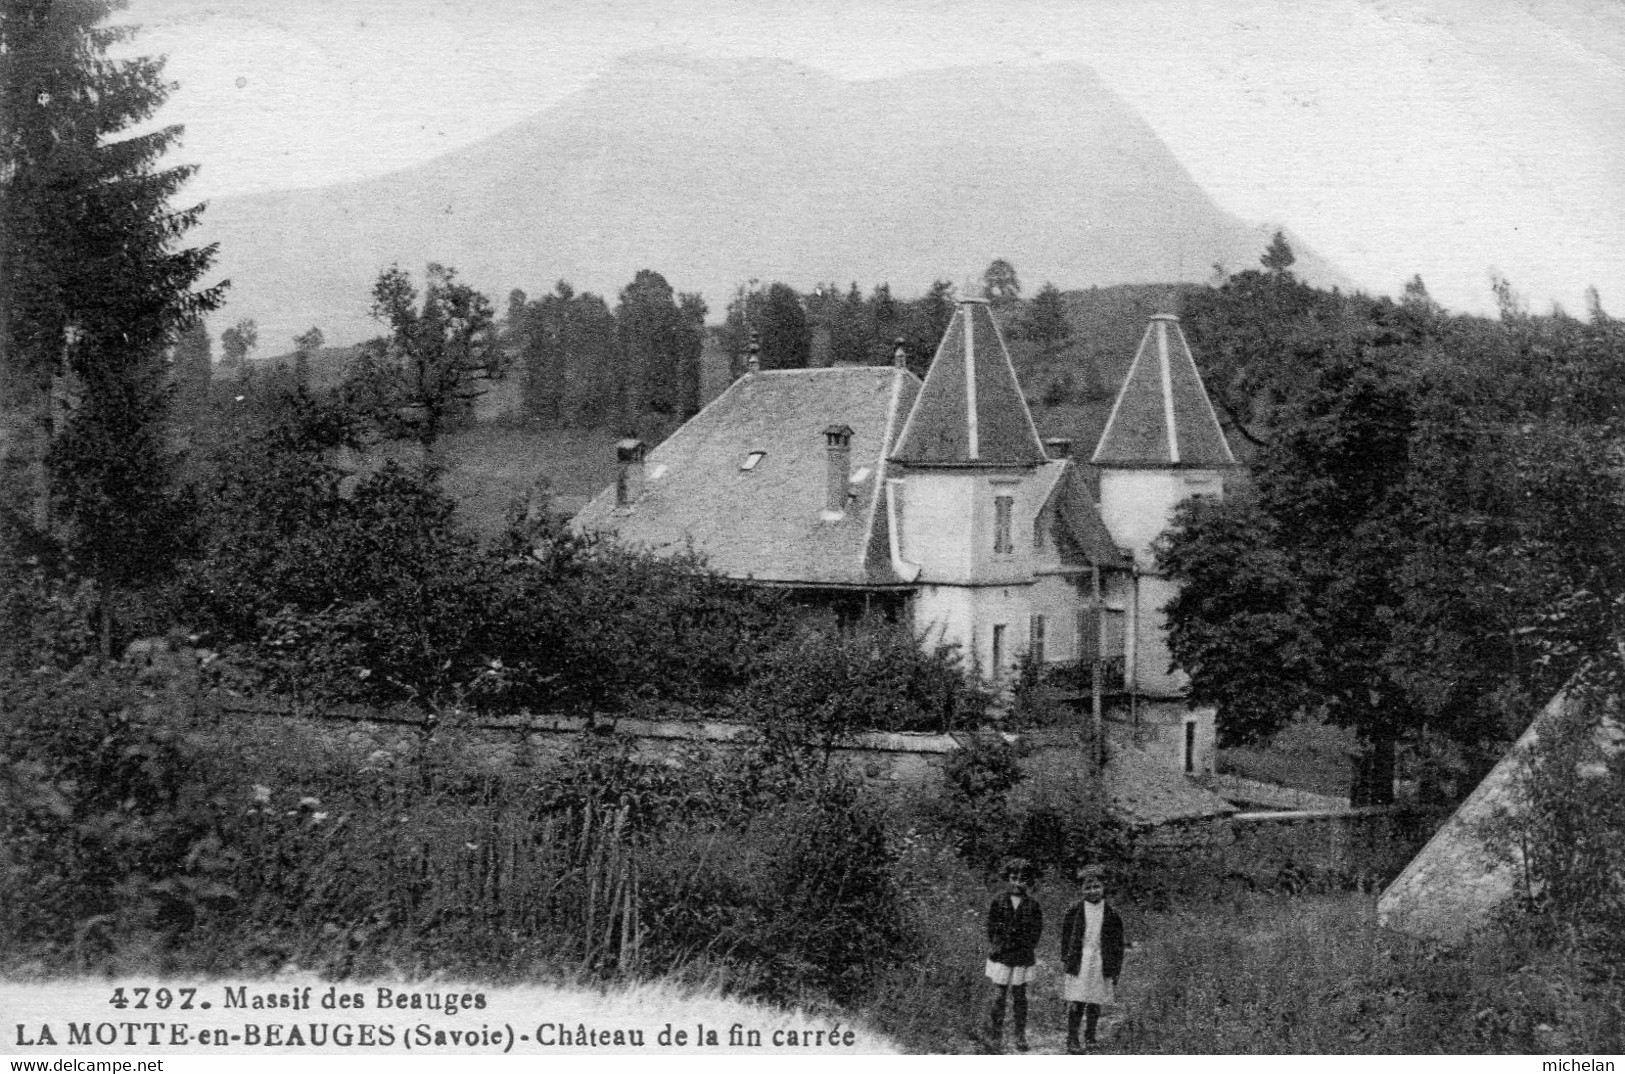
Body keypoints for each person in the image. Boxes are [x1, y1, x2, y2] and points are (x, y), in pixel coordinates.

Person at [1059, 864, 1126, 1052]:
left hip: (1101, 960)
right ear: (1081, 889)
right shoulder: (1074, 912)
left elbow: (1117, 944)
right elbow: (1066, 938)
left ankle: (1090, 1036)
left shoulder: (1111, 915)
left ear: (1104, 887)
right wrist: (1067, 959)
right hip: (1080, 960)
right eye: (1087, 887)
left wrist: (1115, 968)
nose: (1092, 891)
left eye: (1096, 886)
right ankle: (1072, 1038)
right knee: (1077, 999)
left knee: (1095, 1000)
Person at [982, 857, 1043, 1052]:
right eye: (1014, 878)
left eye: (1022, 879)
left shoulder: (1032, 905)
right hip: (1002, 954)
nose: (1018, 883)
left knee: (1020, 995)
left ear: (1029, 881)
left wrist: (1027, 946)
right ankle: (995, 1034)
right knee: (999, 996)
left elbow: (1036, 931)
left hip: (1022, 956)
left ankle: (1020, 1035)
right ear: (1008, 878)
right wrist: (998, 943)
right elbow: (991, 926)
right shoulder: (999, 900)